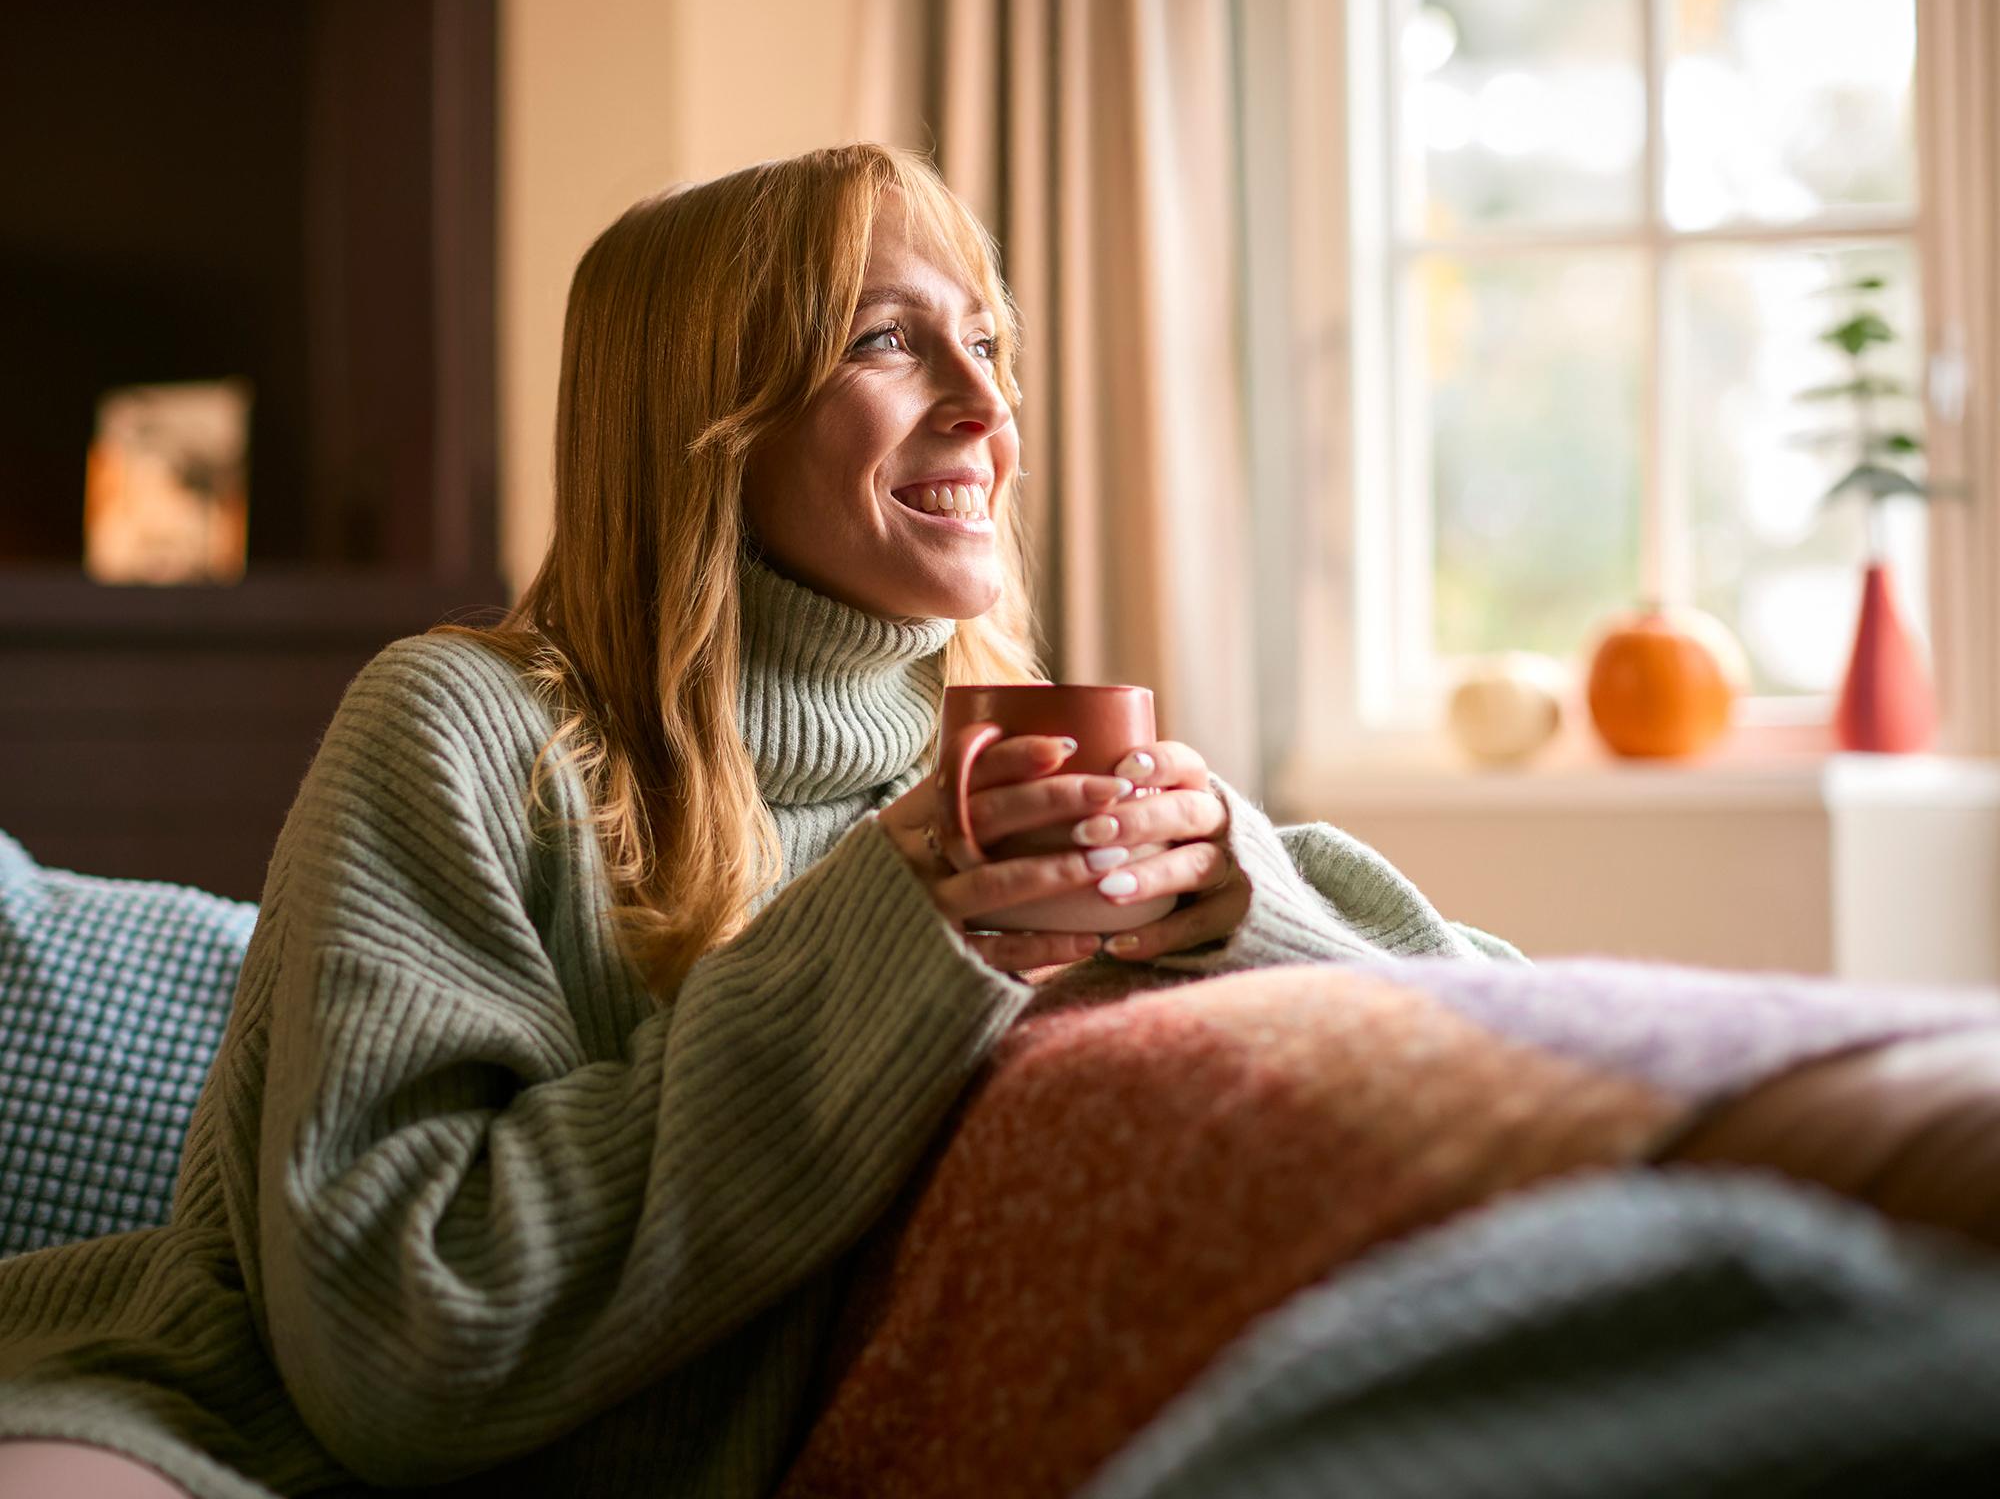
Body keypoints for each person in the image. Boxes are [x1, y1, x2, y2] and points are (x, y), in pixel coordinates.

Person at [0, 143, 1518, 1498]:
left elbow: (1515, 1038)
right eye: (887, 340)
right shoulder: (465, 725)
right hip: (230, 1430)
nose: (990, 407)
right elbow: (399, 1332)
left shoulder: (1002, 781)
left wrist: (1232, 893)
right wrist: (883, 940)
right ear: (701, 424)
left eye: (986, 340)